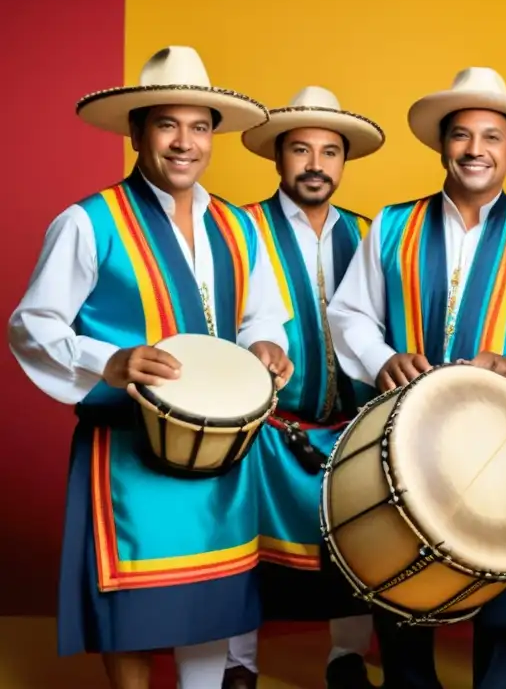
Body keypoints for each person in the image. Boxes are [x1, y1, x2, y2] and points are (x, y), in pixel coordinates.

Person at [7, 45, 295, 689]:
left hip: (222, 449)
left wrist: (269, 347)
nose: (185, 143)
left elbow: (263, 316)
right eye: (168, 125)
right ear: (137, 132)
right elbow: (32, 324)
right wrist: (106, 360)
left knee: (208, 595)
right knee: (134, 606)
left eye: (200, 127)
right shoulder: (88, 222)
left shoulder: (240, 227)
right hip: (127, 448)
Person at [326, 67, 506, 688]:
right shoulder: (392, 225)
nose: (476, 150)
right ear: (441, 145)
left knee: (505, 562)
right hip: (405, 429)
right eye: (462, 136)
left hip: (503, 433)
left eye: (491, 137)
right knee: (400, 551)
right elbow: (348, 312)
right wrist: (380, 358)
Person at [220, 86, 386, 688]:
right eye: (300, 150)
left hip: (351, 421)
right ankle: (238, 666)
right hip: (264, 425)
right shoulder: (239, 228)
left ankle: (346, 658)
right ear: (277, 157)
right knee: (244, 546)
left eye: (329, 152)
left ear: (345, 161)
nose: (315, 164)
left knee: (354, 539)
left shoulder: (373, 234)